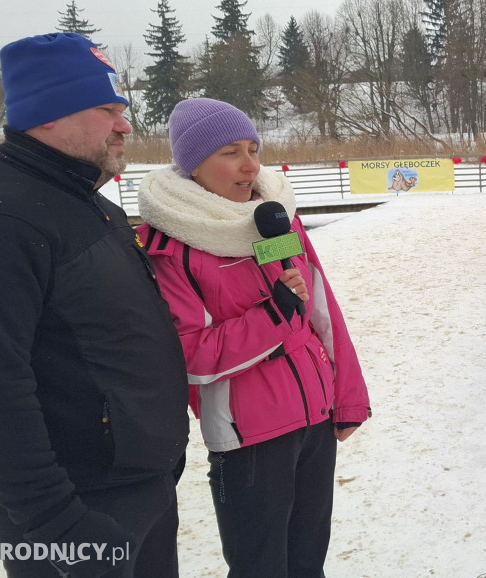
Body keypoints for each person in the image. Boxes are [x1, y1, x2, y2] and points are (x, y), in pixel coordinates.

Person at [0, 33, 189, 577]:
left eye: (122, 109)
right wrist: (60, 528)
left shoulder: (86, 202)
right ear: (46, 115)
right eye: (106, 109)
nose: (124, 124)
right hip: (75, 516)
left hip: (140, 489)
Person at [135, 97, 372, 577]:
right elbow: (189, 358)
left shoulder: (272, 220)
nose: (250, 166)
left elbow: (320, 312)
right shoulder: (172, 247)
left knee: (308, 563)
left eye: (253, 149)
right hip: (250, 440)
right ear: (193, 166)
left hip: (314, 422)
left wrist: (348, 397)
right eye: (230, 153)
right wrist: (273, 316)